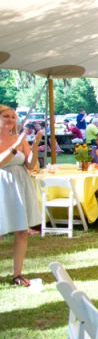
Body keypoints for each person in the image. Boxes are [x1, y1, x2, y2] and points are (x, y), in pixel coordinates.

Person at [0, 105, 42, 286]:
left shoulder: (19, 139)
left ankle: (17, 274)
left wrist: (34, 146)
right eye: (6, 116)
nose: (10, 120)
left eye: (13, 117)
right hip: (2, 184)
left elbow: (31, 166)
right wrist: (14, 148)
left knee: (22, 231)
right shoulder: (15, 142)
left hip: (20, 184)